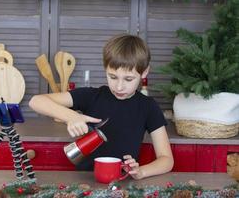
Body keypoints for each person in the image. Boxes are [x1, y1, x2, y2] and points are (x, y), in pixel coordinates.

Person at [29, 34, 174, 180]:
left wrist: (142, 171)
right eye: (113, 77)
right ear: (105, 69)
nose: (119, 86)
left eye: (128, 79)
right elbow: (36, 101)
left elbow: (166, 159)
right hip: (84, 182)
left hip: (122, 184)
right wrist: (71, 116)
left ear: (144, 72)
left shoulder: (148, 106)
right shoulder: (91, 96)